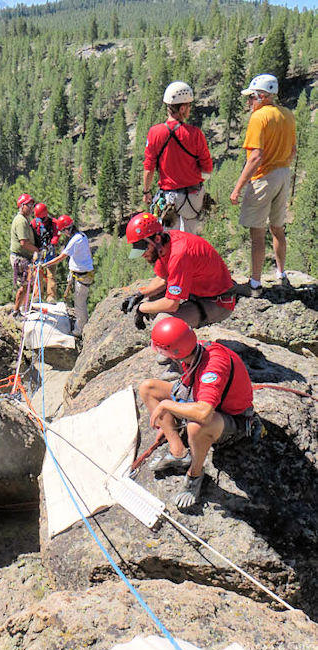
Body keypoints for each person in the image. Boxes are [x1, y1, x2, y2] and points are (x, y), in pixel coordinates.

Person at [139, 317, 255, 508]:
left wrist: (166, 406)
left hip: (233, 419)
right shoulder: (194, 350)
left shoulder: (213, 367)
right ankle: (178, 453)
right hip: (204, 400)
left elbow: (204, 413)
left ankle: (195, 474)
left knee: (195, 426)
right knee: (148, 388)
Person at [230, 74, 296, 297]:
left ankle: (255, 284)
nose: (249, 102)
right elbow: (293, 151)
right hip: (283, 174)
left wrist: (238, 187)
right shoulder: (287, 115)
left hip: (264, 178)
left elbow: (255, 156)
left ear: (263, 96)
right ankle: (281, 274)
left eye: (252, 97)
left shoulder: (259, 118)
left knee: (257, 234)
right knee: (277, 228)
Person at [122, 212, 235, 333]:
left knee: (162, 324)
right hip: (197, 292)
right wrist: (139, 295)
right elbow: (163, 278)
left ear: (157, 239)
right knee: (153, 298)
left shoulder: (179, 254)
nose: (143, 254)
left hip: (216, 302)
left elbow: (172, 304)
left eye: (144, 248)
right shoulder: (164, 244)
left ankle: (183, 339)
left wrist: (141, 308)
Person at [143, 81, 213, 234]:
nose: (189, 109)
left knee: (169, 240)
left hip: (169, 198)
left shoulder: (155, 133)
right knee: (190, 239)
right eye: (188, 106)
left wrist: (146, 191)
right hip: (193, 196)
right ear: (181, 108)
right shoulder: (195, 134)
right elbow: (207, 168)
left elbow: (148, 168)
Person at [42, 215, 94, 338]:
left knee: (80, 304)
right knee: (78, 303)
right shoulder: (81, 236)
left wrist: (45, 265)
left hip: (82, 275)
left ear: (66, 229)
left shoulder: (76, 239)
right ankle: (79, 326)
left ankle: (79, 331)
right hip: (79, 273)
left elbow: (61, 257)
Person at [10, 193, 40, 318]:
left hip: (23, 257)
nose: (32, 208)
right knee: (24, 284)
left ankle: (24, 306)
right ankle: (16, 312)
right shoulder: (21, 221)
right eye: (29, 205)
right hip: (20, 258)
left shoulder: (23, 219)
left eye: (32, 205)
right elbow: (23, 243)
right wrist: (37, 250)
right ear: (22, 206)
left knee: (28, 283)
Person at [31, 202, 60, 303]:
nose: (42, 220)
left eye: (43, 218)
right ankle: (37, 295)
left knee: (51, 273)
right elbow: (31, 235)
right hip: (38, 250)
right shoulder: (35, 223)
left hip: (50, 251)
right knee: (37, 272)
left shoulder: (54, 223)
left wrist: (53, 242)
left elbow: (57, 234)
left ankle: (51, 296)